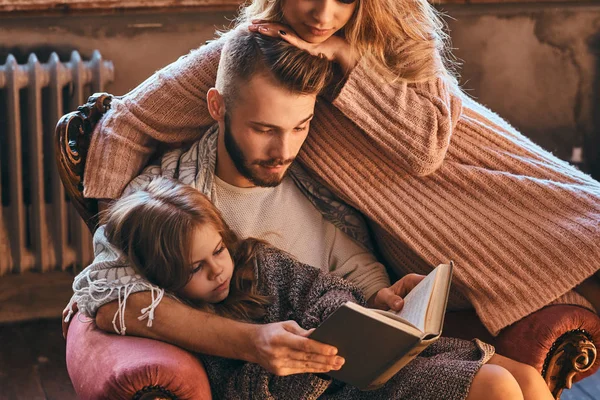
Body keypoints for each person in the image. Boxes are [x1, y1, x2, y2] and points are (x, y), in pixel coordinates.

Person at [78, 0, 600, 337]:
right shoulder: (257, 53)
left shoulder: (400, 36)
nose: (324, 12)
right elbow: (124, 123)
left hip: (489, 172)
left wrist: (345, 55)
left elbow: (425, 149)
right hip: (426, 226)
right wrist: (127, 235)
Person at [65, 27, 420, 377]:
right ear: (217, 106)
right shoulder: (165, 198)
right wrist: (251, 342)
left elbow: (350, 258)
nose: (284, 152)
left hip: (348, 358)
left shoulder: (315, 175)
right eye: (264, 129)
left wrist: (380, 299)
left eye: (300, 127)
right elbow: (111, 298)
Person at [97, 176, 552, 400]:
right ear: (163, 274)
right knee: (494, 385)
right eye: (196, 267)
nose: (218, 271)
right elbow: (250, 393)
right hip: (344, 391)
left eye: (218, 249)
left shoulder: (258, 261)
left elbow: (323, 287)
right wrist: (306, 356)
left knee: (528, 378)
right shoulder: (198, 330)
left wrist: (336, 321)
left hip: (373, 352)